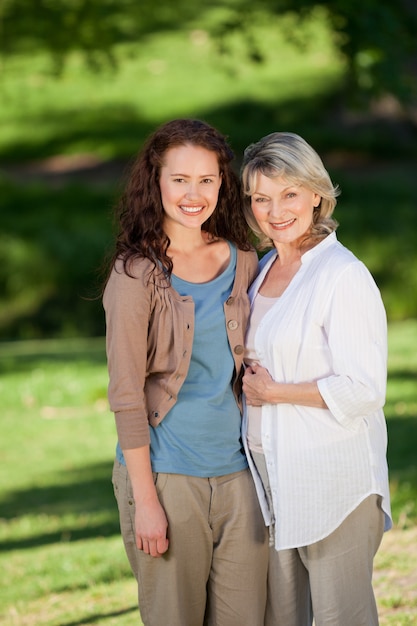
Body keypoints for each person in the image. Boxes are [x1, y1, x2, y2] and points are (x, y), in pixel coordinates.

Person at [103, 118, 268, 626]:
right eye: (180, 180)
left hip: (242, 476)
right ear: (156, 183)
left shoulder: (244, 260)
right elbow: (127, 397)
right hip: (168, 476)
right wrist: (146, 502)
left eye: (206, 180)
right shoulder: (136, 275)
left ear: (223, 184)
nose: (193, 194)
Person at [240, 131, 392, 626]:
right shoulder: (264, 270)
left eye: (289, 194)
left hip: (333, 482)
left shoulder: (342, 275)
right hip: (273, 479)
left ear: (317, 195)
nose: (275, 210)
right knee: (286, 617)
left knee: (338, 618)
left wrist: (273, 392)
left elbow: (364, 389)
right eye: (262, 198)